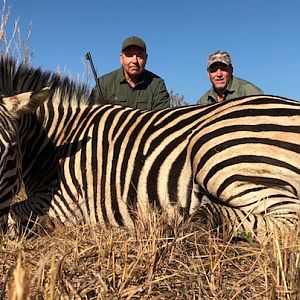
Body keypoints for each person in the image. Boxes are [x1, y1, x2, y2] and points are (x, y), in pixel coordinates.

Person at [88, 36, 170, 110]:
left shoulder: (157, 85)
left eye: (140, 55)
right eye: (129, 55)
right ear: (121, 58)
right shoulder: (103, 84)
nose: (134, 61)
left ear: (146, 58)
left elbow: (162, 120)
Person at [197, 50, 263, 105]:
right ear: (208, 74)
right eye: (214, 70)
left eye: (223, 69)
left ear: (231, 70)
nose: (219, 74)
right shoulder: (202, 102)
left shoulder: (248, 91)